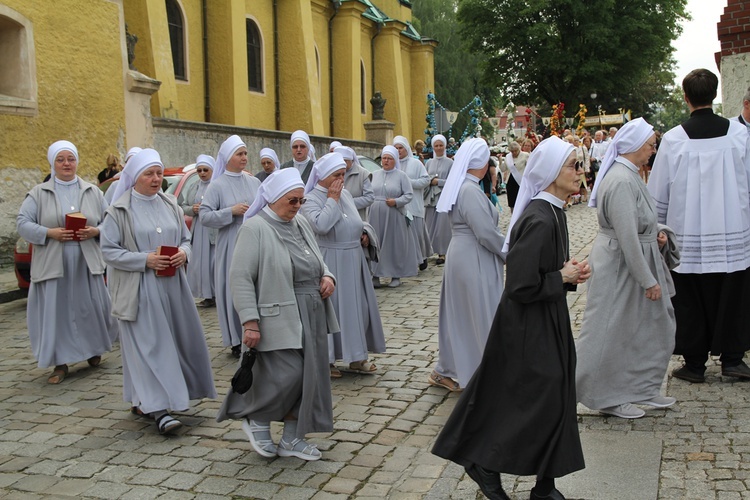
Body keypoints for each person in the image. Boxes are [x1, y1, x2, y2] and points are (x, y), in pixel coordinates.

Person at [432, 137, 591, 500]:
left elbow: (545, 273)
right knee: (543, 395)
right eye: (573, 165)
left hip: (544, 317)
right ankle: (486, 463)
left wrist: (567, 274)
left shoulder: (554, 211)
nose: (580, 172)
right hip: (526, 325)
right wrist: (562, 277)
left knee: (554, 395)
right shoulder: (539, 218)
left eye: (579, 164)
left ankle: (544, 484)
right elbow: (520, 284)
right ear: (551, 173)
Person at [217, 168, 338, 461]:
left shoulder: (301, 223)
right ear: (272, 198)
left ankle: (292, 438)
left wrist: (328, 277)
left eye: (300, 201)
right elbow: (241, 277)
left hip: (311, 311)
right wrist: (249, 321)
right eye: (292, 201)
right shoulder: (255, 228)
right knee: (290, 375)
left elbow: (318, 260)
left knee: (311, 377)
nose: (297, 207)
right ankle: (256, 417)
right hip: (277, 313)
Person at [102, 149, 217, 434]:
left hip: (172, 286)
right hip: (138, 288)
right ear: (135, 176)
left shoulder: (170, 204)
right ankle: (158, 409)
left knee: (173, 343)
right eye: (148, 174)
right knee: (149, 347)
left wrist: (183, 253)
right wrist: (144, 260)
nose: (155, 179)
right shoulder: (119, 210)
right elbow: (108, 251)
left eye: (158, 173)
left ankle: (145, 400)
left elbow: (186, 239)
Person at [648, 68, 750, 382]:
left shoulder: (674, 139)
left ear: (686, 97)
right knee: (732, 295)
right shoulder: (740, 136)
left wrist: (658, 227)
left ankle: (694, 364)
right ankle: (733, 359)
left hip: (687, 233)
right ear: (715, 94)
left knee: (689, 298)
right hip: (733, 230)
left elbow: (658, 192)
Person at [576, 118, 677, 419]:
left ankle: (640, 388)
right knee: (610, 332)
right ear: (635, 147)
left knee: (647, 328)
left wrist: (657, 233)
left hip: (631, 260)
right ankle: (604, 396)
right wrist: (647, 280)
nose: (652, 150)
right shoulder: (621, 180)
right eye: (649, 145)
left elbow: (637, 223)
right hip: (620, 266)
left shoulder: (629, 175)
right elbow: (626, 235)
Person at [17, 140, 117, 384]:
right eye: (60, 159)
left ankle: (93, 349)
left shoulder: (92, 191)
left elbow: (112, 222)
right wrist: (49, 233)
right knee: (58, 312)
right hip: (54, 262)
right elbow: (23, 222)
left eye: (70, 159)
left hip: (85, 261)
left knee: (89, 308)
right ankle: (60, 362)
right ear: (52, 163)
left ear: (77, 162)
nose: (66, 164)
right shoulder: (39, 193)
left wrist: (95, 231)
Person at [428, 138, 505, 392]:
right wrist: (510, 251)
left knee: (462, 313)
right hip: (472, 255)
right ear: (482, 163)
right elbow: (484, 232)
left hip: (464, 253)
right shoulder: (469, 190)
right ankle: (476, 369)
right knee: (476, 310)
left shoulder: (463, 186)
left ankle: (451, 367)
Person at [300, 153, 386, 378]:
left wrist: (365, 234)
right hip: (331, 260)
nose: (342, 179)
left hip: (353, 259)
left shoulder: (345, 194)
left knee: (358, 309)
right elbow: (321, 225)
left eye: (343, 174)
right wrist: (332, 199)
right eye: (337, 175)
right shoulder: (310, 199)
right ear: (324, 176)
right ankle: (326, 359)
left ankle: (357, 355)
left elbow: (356, 221)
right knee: (335, 311)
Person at [200, 135, 262, 358]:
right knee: (233, 288)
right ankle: (236, 337)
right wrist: (230, 212)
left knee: (255, 285)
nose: (244, 157)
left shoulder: (254, 182)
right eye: (240, 153)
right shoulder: (217, 186)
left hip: (255, 240)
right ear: (228, 158)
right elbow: (205, 216)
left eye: (245, 153)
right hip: (230, 242)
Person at [369, 145, 419, 288]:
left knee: (393, 244)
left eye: (389, 158)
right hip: (376, 216)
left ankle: (395, 275)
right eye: (384, 158)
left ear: (394, 160)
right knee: (376, 244)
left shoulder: (401, 176)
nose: (386, 161)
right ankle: (376, 274)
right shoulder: (375, 174)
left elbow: (409, 194)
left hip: (394, 215)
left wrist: (396, 202)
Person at [181, 154, 216, 307]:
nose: (202, 173)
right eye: (199, 170)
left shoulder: (217, 185)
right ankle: (206, 294)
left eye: (205, 170)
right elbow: (182, 206)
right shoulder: (193, 186)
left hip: (213, 230)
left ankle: (217, 293)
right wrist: (192, 209)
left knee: (213, 262)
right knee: (200, 264)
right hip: (199, 229)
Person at [394, 136, 432, 270]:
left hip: (414, 204)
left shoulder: (416, 163)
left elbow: (426, 180)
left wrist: (409, 183)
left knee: (417, 234)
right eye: (396, 148)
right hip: (398, 206)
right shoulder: (392, 164)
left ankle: (421, 257)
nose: (398, 151)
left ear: (406, 149)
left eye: (400, 148)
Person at [424, 134, 453, 265]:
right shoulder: (429, 162)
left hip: (444, 196)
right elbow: (424, 178)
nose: (439, 148)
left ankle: (442, 252)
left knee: (442, 225)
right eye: (436, 145)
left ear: (445, 146)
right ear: (433, 147)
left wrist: (438, 182)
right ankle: (428, 250)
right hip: (431, 198)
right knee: (429, 224)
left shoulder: (450, 163)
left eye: (441, 145)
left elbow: (453, 181)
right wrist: (429, 181)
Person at [335, 145, 374, 221]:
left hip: (356, 218)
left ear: (351, 160)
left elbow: (370, 198)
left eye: (345, 161)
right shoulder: (333, 173)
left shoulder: (363, 174)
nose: (342, 164)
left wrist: (348, 203)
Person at [500, 141, 530, 213]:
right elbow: (503, 169)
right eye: (512, 151)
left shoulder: (525, 155)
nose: (514, 153)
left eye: (515, 151)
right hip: (511, 182)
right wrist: (500, 160)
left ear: (519, 149)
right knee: (512, 203)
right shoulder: (508, 157)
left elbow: (529, 168)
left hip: (521, 182)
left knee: (521, 202)